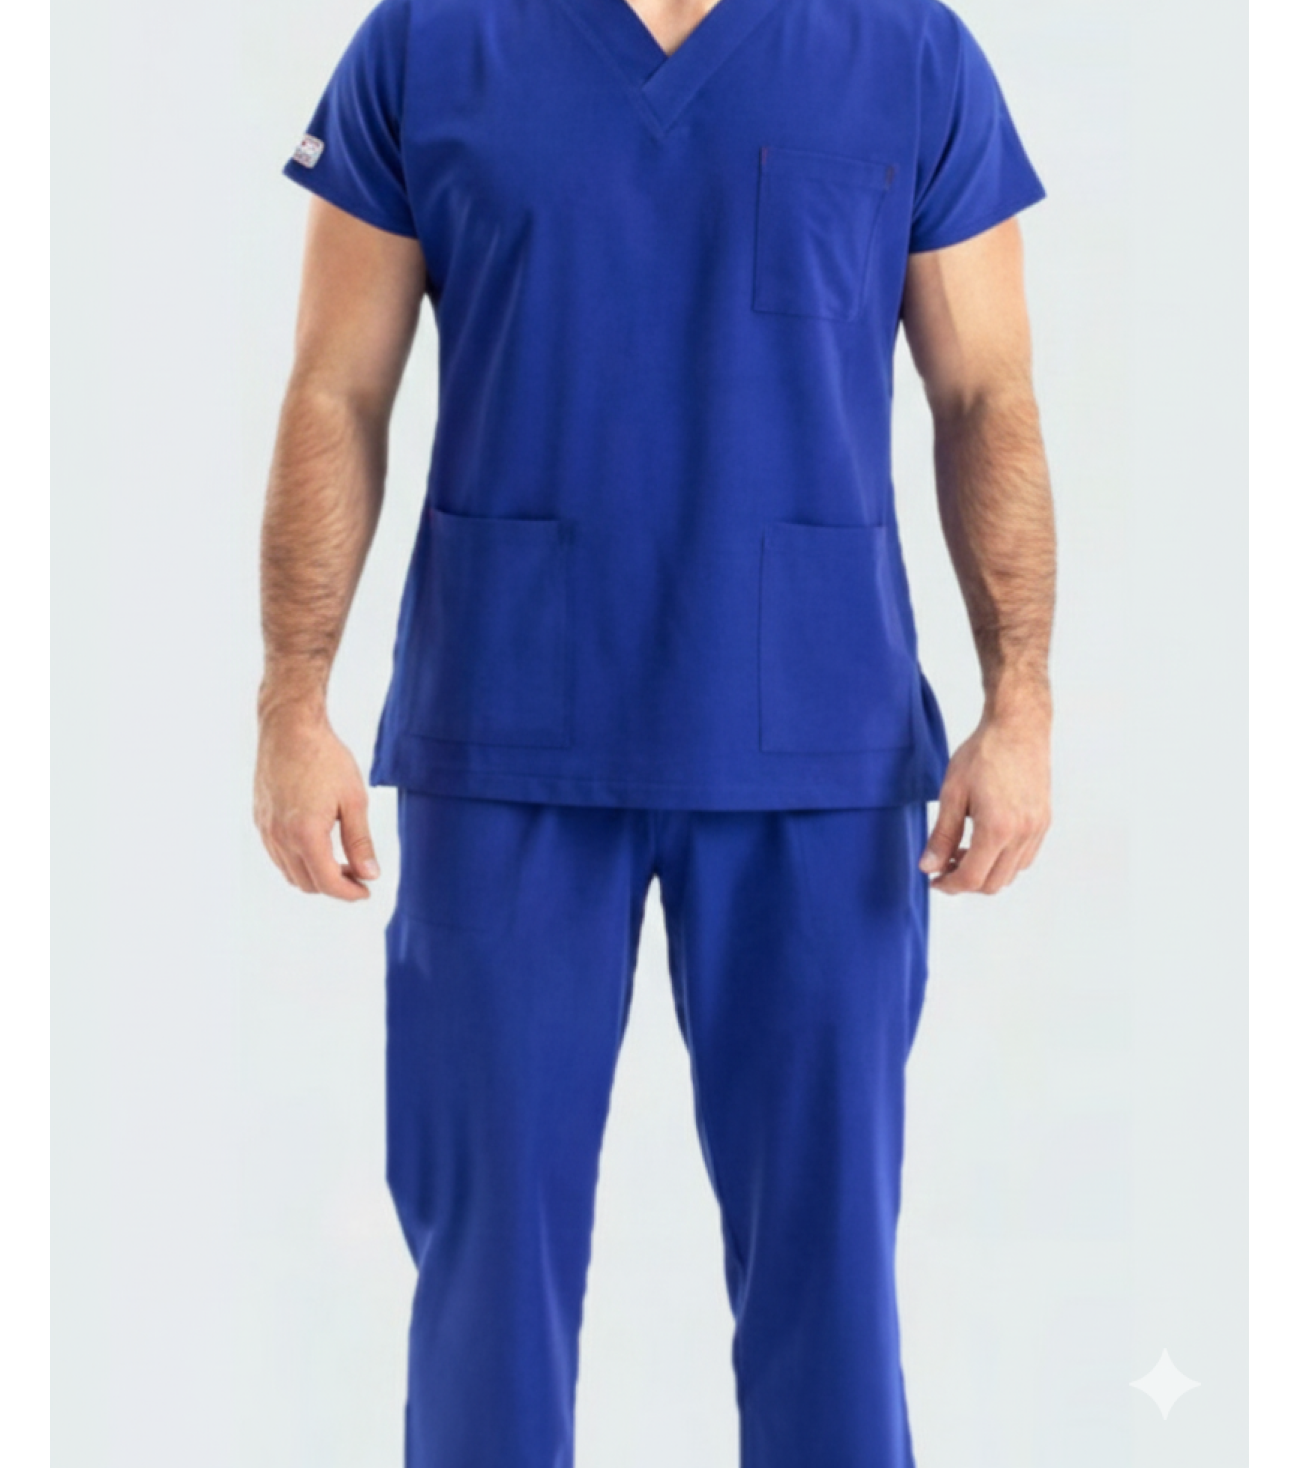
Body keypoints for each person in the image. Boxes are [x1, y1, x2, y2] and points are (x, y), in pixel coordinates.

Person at [254, 0, 1056, 1463]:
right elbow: (336, 387)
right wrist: (291, 699)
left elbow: (985, 394)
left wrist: (1021, 703)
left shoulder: (904, 52)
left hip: (813, 741)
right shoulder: (432, 43)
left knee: (829, 1267)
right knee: (485, 1267)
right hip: (507, 729)